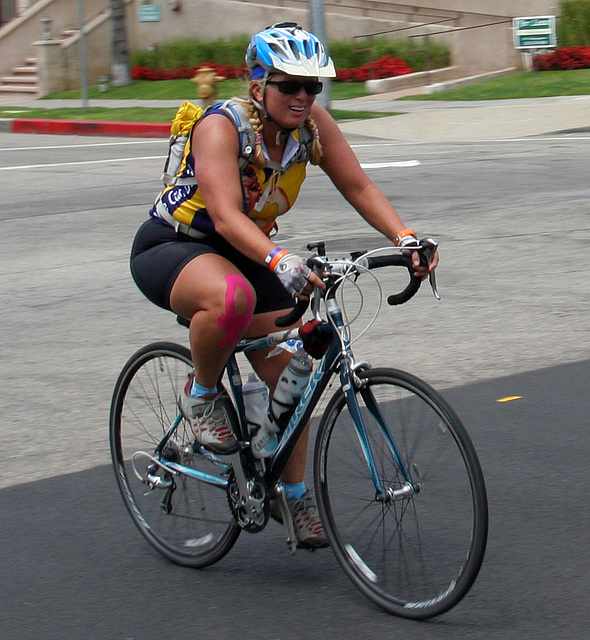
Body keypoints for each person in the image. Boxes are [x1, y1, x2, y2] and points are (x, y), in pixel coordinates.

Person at [130, 22, 438, 549]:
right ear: (257, 84)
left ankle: (291, 497)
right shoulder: (221, 127)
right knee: (232, 298)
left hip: (252, 253)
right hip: (176, 246)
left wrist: (406, 237)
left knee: (297, 372)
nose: (302, 96)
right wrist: (280, 259)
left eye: (312, 86)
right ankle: (201, 395)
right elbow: (225, 217)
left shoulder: (310, 127)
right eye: (289, 84)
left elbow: (357, 183)